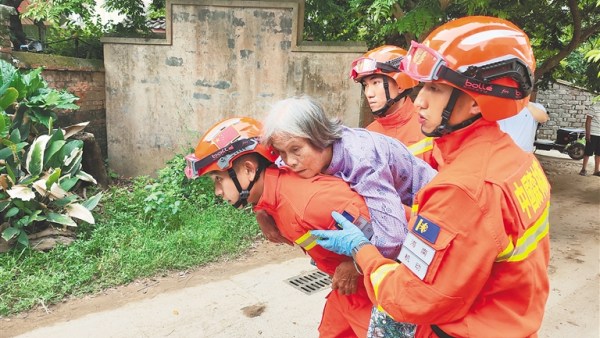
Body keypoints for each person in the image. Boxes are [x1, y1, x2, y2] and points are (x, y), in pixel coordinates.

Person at [311, 16, 551, 338]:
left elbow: (408, 298)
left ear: (478, 101)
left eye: (435, 89)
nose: (420, 99)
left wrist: (361, 249)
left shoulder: (463, 189)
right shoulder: (519, 161)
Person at [261, 95, 436, 337]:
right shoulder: (306, 152)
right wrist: (261, 208)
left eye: (295, 150)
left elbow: (393, 237)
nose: (288, 161)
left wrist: (355, 264)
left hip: (428, 224)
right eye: (281, 151)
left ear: (320, 137)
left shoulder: (362, 161)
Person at [184, 117, 373, 337]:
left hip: (376, 291)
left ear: (249, 170)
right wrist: (260, 210)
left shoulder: (310, 203)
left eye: (218, 179)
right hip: (347, 292)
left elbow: (387, 226)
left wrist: (354, 264)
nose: (217, 191)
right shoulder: (272, 195)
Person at [350, 45, 437, 166]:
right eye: (366, 85)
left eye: (376, 83)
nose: (369, 94)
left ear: (400, 84)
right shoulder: (367, 135)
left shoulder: (432, 130)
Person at [579, 108, 600, 176]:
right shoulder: (594, 108)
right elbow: (588, 121)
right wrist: (588, 133)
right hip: (593, 134)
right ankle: (583, 169)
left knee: (599, 153)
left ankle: (596, 171)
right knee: (588, 152)